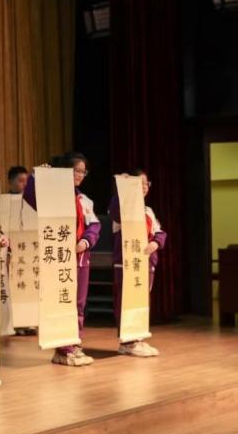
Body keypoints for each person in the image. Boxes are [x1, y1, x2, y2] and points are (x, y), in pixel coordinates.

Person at [23, 153, 101, 366]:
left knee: (78, 304)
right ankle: (63, 349)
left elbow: (94, 225)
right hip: (59, 260)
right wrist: (36, 177)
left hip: (80, 259)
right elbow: (31, 197)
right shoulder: (53, 196)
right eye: (76, 170)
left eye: (83, 172)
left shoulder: (84, 200)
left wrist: (85, 241)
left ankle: (74, 344)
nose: (80, 175)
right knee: (61, 303)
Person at [109, 168, 163, 357]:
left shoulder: (148, 211)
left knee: (141, 302)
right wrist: (122, 190)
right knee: (126, 302)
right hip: (126, 265)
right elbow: (115, 213)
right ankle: (127, 342)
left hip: (145, 264)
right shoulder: (122, 208)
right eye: (138, 183)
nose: (144, 187)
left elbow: (159, 232)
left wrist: (156, 243)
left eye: (146, 183)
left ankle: (137, 338)